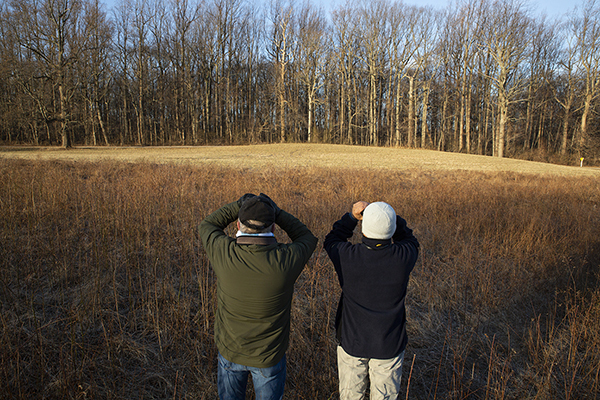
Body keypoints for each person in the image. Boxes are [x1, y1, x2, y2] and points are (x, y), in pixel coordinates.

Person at [199, 193, 318, 400]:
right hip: (268, 357)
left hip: (231, 352)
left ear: (237, 224)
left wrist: (238, 204)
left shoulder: (224, 253)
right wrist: (277, 211)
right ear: (273, 228)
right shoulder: (285, 260)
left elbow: (207, 225)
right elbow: (307, 238)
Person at [323, 201, 419, 400]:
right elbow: (409, 238)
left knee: (350, 395)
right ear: (391, 230)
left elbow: (332, 239)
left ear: (364, 228)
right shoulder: (404, 257)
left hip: (352, 341)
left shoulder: (347, 256)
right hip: (388, 344)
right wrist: (391, 216)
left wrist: (351, 218)